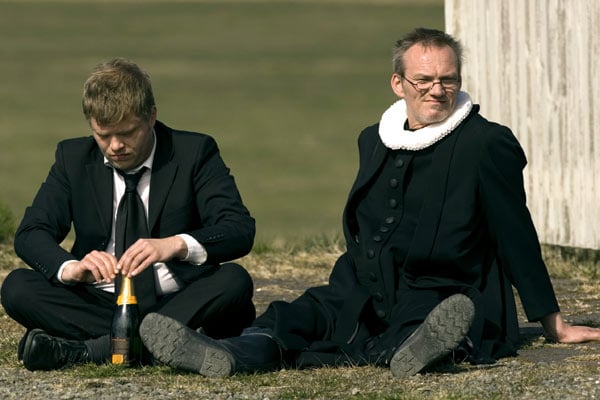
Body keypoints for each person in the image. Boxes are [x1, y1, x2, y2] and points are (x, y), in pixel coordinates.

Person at [138, 28, 600, 378]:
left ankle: (421, 350)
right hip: (361, 284)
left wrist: (552, 322)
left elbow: (515, 232)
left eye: (447, 80)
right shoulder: (372, 140)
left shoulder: (487, 143)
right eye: (423, 81)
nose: (437, 91)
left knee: (430, 327)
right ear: (398, 83)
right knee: (297, 315)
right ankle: (233, 353)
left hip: (446, 289)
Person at [1, 58, 257, 371]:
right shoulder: (72, 158)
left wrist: (174, 244)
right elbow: (32, 232)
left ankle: (86, 351)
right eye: (103, 135)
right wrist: (71, 267)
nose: (115, 146)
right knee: (17, 287)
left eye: (127, 133)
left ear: (151, 116)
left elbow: (238, 228)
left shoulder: (194, 152)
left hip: (176, 299)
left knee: (234, 281)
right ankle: (162, 344)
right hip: (101, 301)